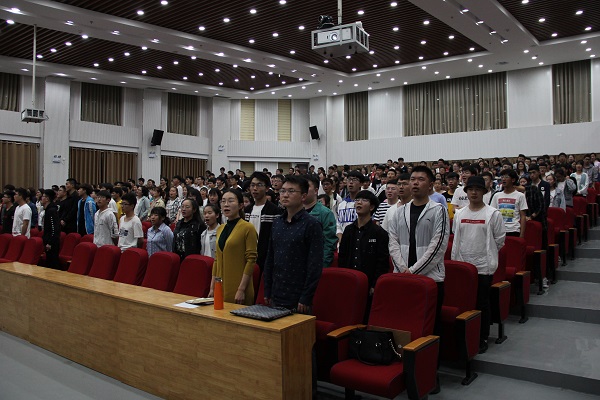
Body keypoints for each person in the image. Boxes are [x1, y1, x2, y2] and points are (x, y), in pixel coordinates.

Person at [451, 176, 505, 354]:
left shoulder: (492, 214)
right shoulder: (460, 214)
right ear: (466, 192)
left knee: (482, 302)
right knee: (465, 303)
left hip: (483, 266)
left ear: (484, 192)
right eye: (470, 189)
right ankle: (465, 336)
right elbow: (456, 238)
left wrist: (487, 254)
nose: (474, 193)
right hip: (464, 266)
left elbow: (499, 240)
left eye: (478, 189)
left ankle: (482, 337)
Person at [263, 175, 324, 312]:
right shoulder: (277, 223)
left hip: (298, 296)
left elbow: (315, 265)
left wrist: (306, 296)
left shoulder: (312, 224)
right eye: (283, 191)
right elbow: (270, 258)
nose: (285, 195)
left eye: (291, 191)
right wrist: (267, 289)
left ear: (303, 196)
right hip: (276, 292)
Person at [338, 190, 389, 322]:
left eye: (364, 200)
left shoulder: (379, 233)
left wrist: (375, 284)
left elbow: (382, 262)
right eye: (357, 200)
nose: (359, 203)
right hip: (350, 281)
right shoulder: (348, 230)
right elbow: (342, 257)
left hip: (368, 284)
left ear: (371, 207)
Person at [208, 189, 258, 305]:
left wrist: (241, 289)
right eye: (223, 201)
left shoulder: (248, 228)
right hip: (220, 286)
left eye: (231, 201)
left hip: (238, 287)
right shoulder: (220, 228)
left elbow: (251, 261)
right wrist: (212, 287)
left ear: (240, 205)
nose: (226, 204)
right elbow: (217, 260)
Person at [244, 172, 282, 272]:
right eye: (252, 185)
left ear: (267, 188)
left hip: (266, 258)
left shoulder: (274, 211)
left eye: (259, 185)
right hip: (247, 256)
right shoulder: (247, 210)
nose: (255, 188)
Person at [303, 174, 337, 268]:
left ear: (316, 190)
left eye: (306, 186)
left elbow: (329, 244)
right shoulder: (294, 211)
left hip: (315, 265)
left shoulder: (325, 213)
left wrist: (322, 265)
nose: (303, 190)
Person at [491, 169, 528, 238]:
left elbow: (523, 216)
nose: (503, 179)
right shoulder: (496, 195)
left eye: (506, 177)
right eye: (502, 177)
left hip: (514, 230)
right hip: (499, 230)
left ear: (513, 180)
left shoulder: (520, 196)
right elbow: (492, 214)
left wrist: (522, 234)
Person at [336, 170, 364, 241]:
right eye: (349, 179)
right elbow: (338, 226)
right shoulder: (341, 204)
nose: (351, 182)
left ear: (361, 184)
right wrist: (341, 239)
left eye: (354, 180)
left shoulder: (364, 203)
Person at [41, 189, 61, 270]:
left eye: (43, 196)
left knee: (53, 263)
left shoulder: (52, 210)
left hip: (52, 242)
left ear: (47, 198)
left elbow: (54, 228)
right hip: (47, 240)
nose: (41, 198)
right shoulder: (47, 210)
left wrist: (50, 242)